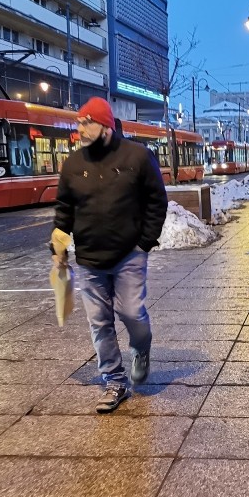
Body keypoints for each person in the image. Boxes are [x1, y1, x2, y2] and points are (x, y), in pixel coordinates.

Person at [52, 97, 168, 413]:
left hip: (130, 254)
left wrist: (145, 242)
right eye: (78, 122)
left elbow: (157, 201)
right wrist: (59, 245)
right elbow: (64, 209)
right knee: (99, 322)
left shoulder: (138, 157)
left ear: (105, 125)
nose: (80, 129)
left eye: (86, 122)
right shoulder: (73, 164)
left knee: (131, 312)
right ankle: (115, 382)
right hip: (89, 259)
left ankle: (141, 349)